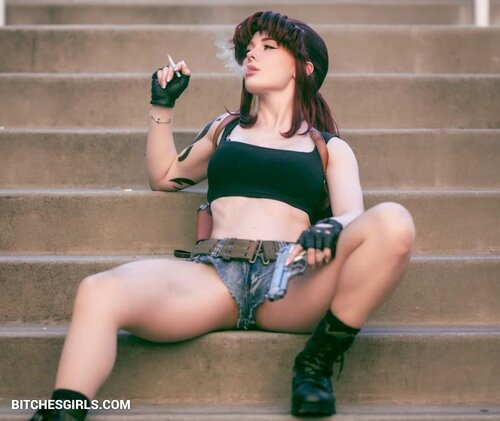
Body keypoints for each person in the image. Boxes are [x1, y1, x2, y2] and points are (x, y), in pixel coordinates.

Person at [29, 10, 415, 420]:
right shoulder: (226, 129)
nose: (252, 55)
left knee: (394, 221)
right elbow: (164, 176)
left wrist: (330, 228)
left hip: (291, 282)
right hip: (213, 278)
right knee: (98, 290)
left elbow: (353, 214)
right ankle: (62, 412)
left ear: (303, 68)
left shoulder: (329, 148)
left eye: (268, 47)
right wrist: (163, 104)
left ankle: (315, 364)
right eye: (249, 48)